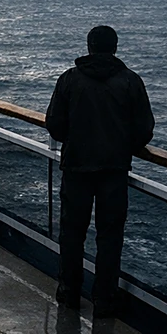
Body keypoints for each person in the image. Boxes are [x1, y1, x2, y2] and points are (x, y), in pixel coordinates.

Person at [46, 26, 154, 318]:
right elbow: (144, 130)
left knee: (72, 232)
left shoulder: (69, 79)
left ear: (89, 46)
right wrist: (121, 144)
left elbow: (54, 125)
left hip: (77, 167)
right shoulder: (131, 81)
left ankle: (69, 292)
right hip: (114, 170)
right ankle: (104, 299)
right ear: (115, 48)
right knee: (110, 235)